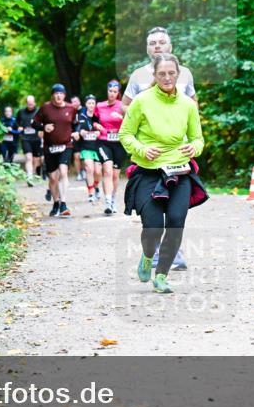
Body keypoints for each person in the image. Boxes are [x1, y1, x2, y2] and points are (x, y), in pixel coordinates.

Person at [120, 54, 207, 294]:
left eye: (171, 73)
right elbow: (125, 134)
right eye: (162, 74)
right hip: (149, 172)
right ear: (155, 76)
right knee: (154, 227)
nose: (167, 77)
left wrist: (194, 148)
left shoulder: (188, 104)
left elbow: (198, 138)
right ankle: (148, 256)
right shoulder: (141, 101)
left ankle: (161, 276)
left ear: (178, 74)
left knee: (177, 223)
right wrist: (142, 149)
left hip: (179, 171)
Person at [123, 26, 196, 270]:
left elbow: (193, 106)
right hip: (149, 153)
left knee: (176, 210)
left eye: (161, 42)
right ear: (147, 48)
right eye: (152, 43)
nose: (157, 46)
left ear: (170, 46)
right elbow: (126, 109)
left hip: (179, 153)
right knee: (154, 208)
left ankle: (173, 253)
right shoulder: (137, 76)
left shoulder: (184, 74)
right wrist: (145, 124)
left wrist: (191, 139)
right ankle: (152, 253)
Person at [32, 84, 78, 217]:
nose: (58, 96)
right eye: (56, 93)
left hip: (66, 145)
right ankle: (56, 203)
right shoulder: (45, 108)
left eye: (61, 93)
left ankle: (63, 203)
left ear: (64, 95)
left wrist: (77, 132)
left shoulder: (71, 108)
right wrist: (43, 126)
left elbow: (76, 123)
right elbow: (33, 123)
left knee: (63, 172)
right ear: (53, 95)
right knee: (52, 178)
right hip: (49, 147)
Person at [95, 80, 127, 216]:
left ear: (118, 92)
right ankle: (107, 202)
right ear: (107, 91)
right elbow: (92, 121)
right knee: (107, 170)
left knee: (115, 174)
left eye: (115, 92)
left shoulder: (123, 106)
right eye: (110, 91)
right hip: (104, 142)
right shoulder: (99, 106)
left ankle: (113, 199)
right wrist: (96, 126)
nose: (112, 94)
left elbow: (132, 121)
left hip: (119, 143)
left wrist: (121, 118)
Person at [75, 95, 102, 203]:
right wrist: (80, 132)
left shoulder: (99, 116)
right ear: (85, 104)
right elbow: (79, 128)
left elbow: (104, 128)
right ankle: (90, 193)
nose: (91, 105)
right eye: (89, 103)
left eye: (93, 103)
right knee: (89, 169)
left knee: (98, 172)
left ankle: (96, 186)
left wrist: (99, 132)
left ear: (95, 104)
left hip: (98, 147)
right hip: (86, 147)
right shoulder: (81, 116)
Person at [16, 96, 42, 187]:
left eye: (31, 103)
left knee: (36, 160)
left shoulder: (39, 111)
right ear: (26, 103)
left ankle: (32, 173)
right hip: (25, 138)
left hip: (36, 138)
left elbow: (44, 121)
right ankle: (29, 177)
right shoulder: (21, 112)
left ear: (34, 103)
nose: (30, 105)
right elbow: (17, 121)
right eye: (28, 103)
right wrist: (19, 127)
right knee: (28, 158)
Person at [69, 95, 84, 181]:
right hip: (74, 137)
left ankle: (84, 171)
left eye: (75, 101)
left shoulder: (85, 110)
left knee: (84, 156)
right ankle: (78, 174)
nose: (73, 103)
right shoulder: (70, 112)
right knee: (76, 156)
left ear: (79, 102)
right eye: (72, 102)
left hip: (85, 136)